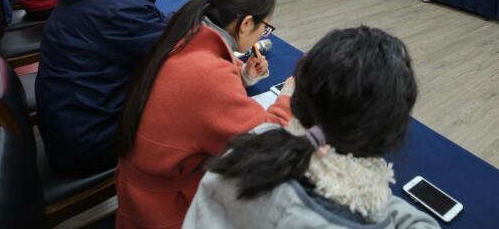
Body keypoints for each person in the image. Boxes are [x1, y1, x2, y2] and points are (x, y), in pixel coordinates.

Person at [183, 26, 439, 229]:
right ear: (389, 135)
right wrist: (381, 203)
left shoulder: (250, 144)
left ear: (299, 100)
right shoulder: (363, 217)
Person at [115, 0, 292, 229]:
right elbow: (264, 144)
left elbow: (198, 97)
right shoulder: (208, 74)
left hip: (140, 188)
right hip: (164, 210)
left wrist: (243, 76)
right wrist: (288, 97)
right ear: (246, 23)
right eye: (265, 28)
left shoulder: (186, 31)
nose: (262, 35)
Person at [35, 0, 169, 172]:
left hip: (71, 115)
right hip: (89, 138)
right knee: (185, 109)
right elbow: (170, 52)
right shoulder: (119, 6)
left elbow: (151, 30)